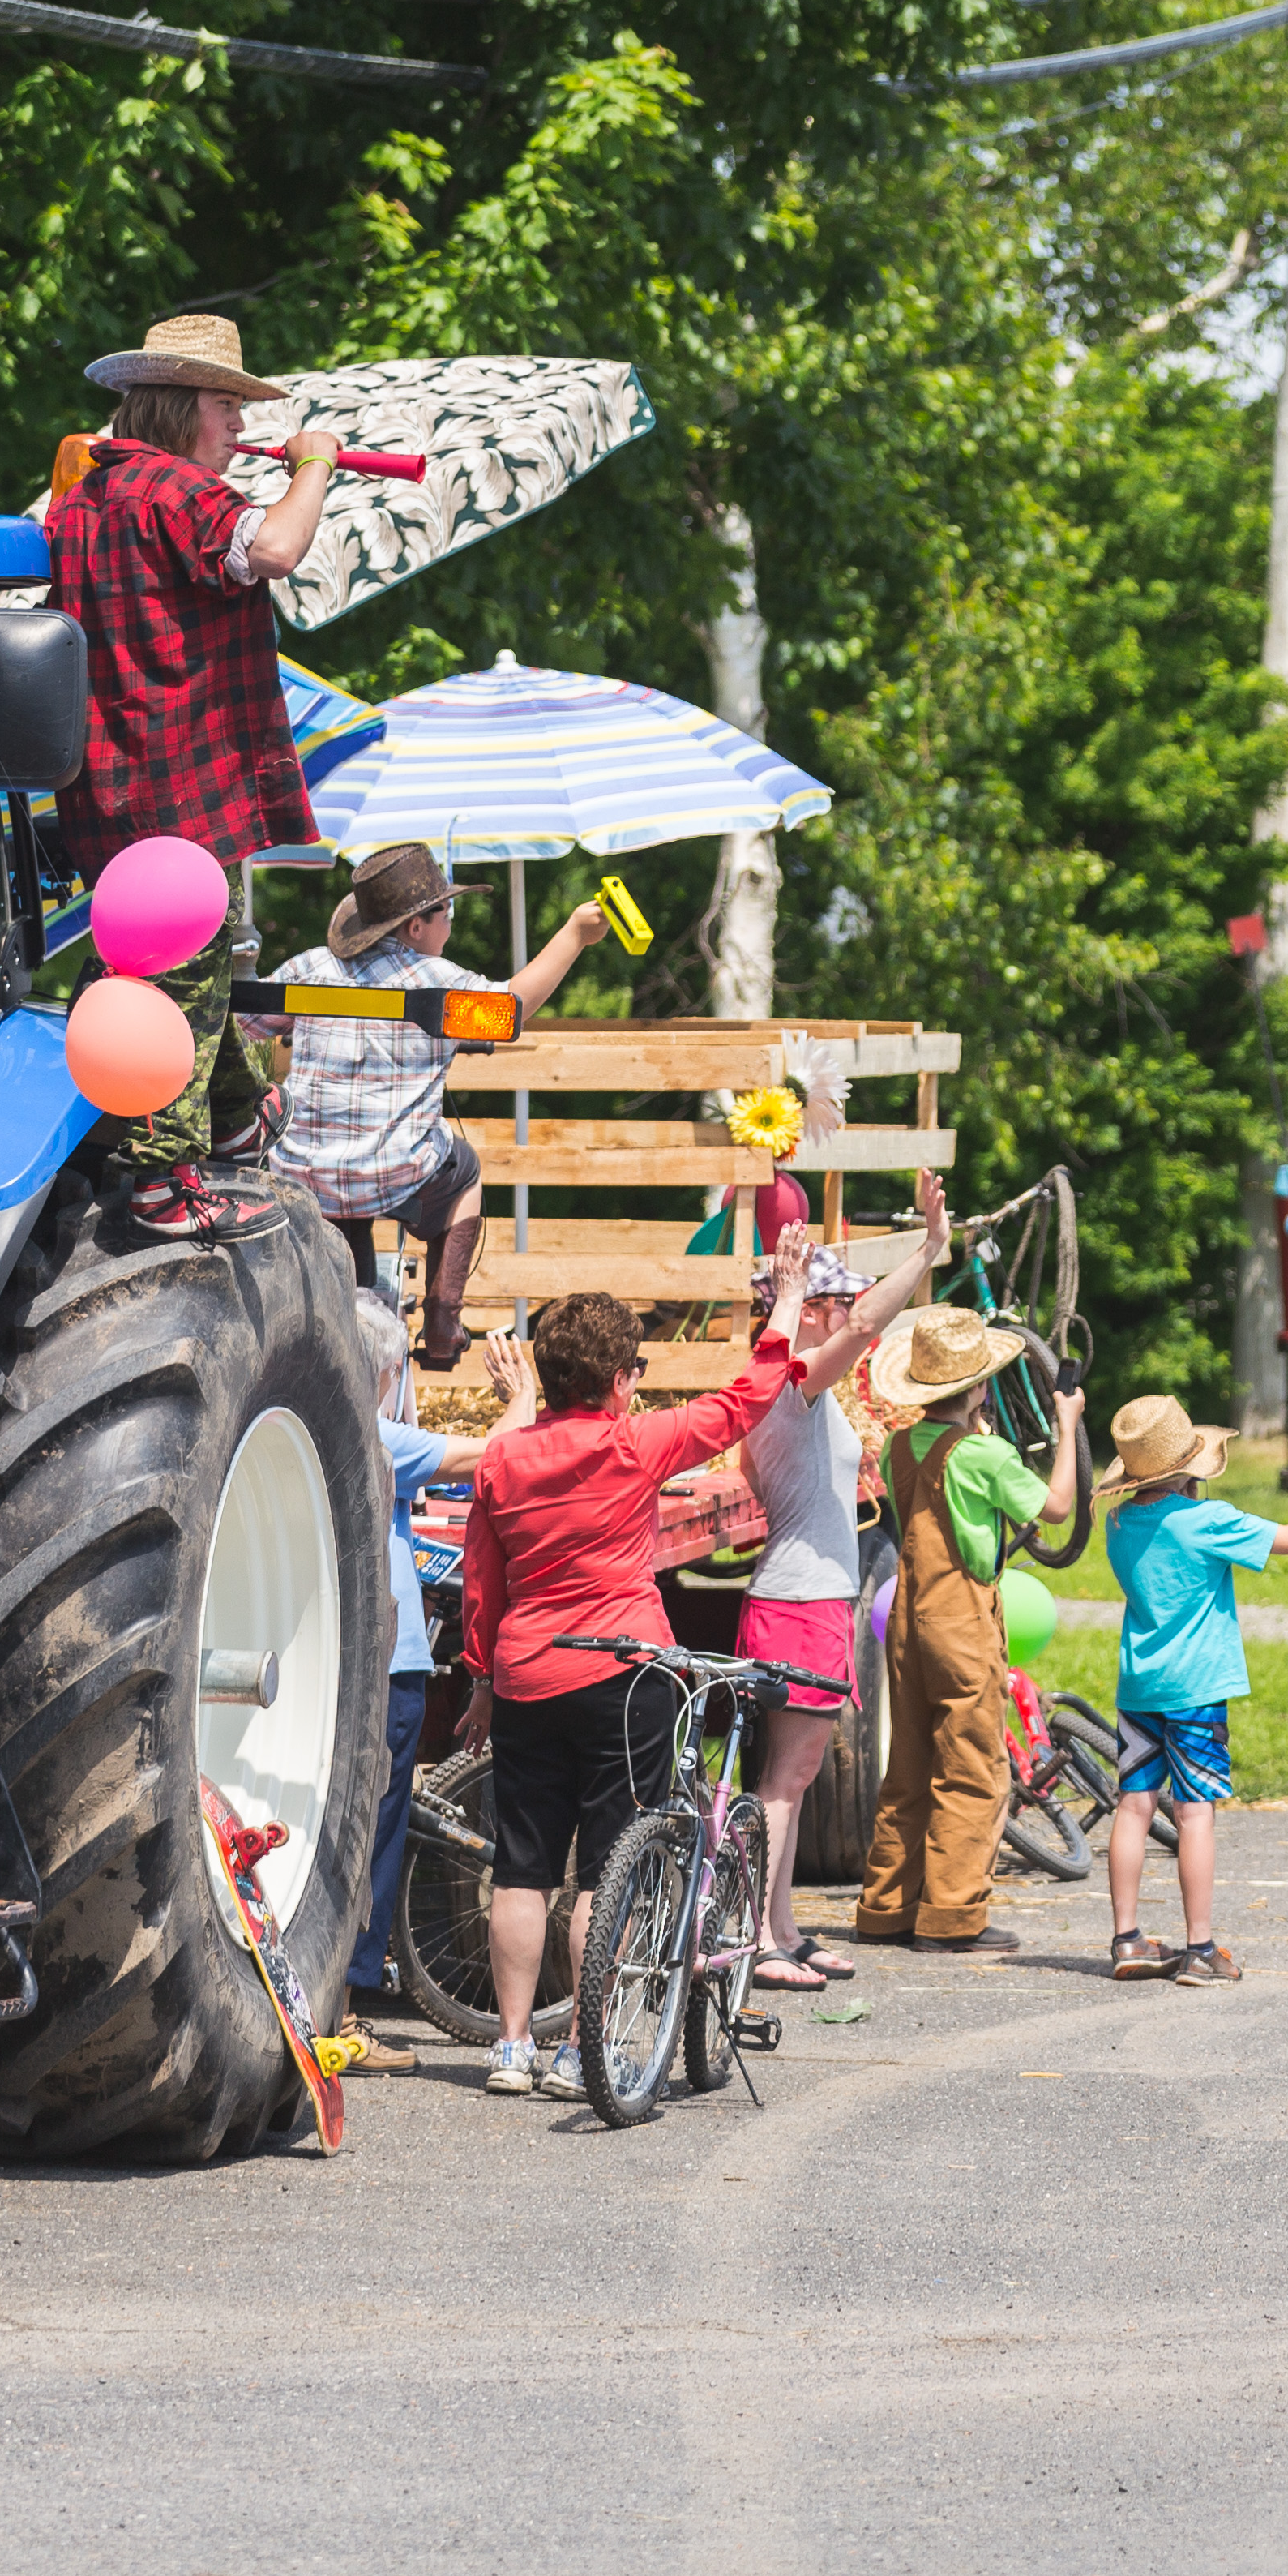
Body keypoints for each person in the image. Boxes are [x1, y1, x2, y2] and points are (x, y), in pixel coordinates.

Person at [454, 1269, 807, 2093]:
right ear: (620, 1381)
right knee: (607, 1867)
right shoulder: (635, 1443)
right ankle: (584, 2050)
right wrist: (783, 1309)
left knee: (522, 1870)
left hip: (529, 1673)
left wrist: (482, 1679)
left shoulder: (502, 1459)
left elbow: (483, 1581)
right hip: (624, 1672)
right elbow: (745, 1401)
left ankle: (511, 2048)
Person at [42, 311, 348, 1242]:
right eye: (226, 408)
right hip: (183, 791)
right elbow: (277, 550)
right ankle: (161, 1174)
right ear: (179, 406)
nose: (238, 431)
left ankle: (239, 1108)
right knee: (175, 980)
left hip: (117, 789)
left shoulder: (83, 496)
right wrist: (316, 466)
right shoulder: (173, 490)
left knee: (175, 971)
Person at [264, 839, 612, 1368]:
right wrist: (575, 936)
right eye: (446, 911)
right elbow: (511, 1012)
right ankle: (444, 1315)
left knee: (348, 1201)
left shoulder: (310, 965)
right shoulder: (440, 983)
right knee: (464, 1166)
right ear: (416, 928)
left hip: (303, 1173)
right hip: (394, 1172)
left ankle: (354, 1308)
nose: (451, 922)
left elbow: (242, 1023)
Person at [724, 1221, 951, 1987]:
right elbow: (865, 1325)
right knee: (784, 1783)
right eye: (838, 1297)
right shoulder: (793, 1386)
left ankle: (779, 1926)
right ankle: (757, 1935)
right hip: (802, 1601)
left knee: (789, 1779)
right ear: (809, 1310)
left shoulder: (780, 1394)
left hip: (794, 1596)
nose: (853, 1308)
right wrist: (924, 1252)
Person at [850, 1305, 1088, 1955]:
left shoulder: (900, 1445)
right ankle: (954, 1916)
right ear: (980, 1388)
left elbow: (932, 1494)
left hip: (907, 1614)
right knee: (974, 1767)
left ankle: (886, 1907)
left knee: (910, 1763)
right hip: (961, 1616)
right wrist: (1067, 1429)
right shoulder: (986, 1454)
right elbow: (1058, 1507)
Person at [338, 1297, 534, 2068]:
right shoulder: (375, 1433)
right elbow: (496, 1456)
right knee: (374, 1839)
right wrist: (519, 1395)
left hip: (340, 1655)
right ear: (387, 1372)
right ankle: (346, 2009)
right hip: (389, 1664)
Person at [1096, 1392, 1288, 1987]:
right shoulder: (1208, 1520)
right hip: (1196, 1688)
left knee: (1133, 1806)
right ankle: (1200, 1949)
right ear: (1190, 1468)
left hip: (1139, 1686)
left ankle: (1127, 1940)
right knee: (1194, 1812)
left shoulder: (1119, 1521)